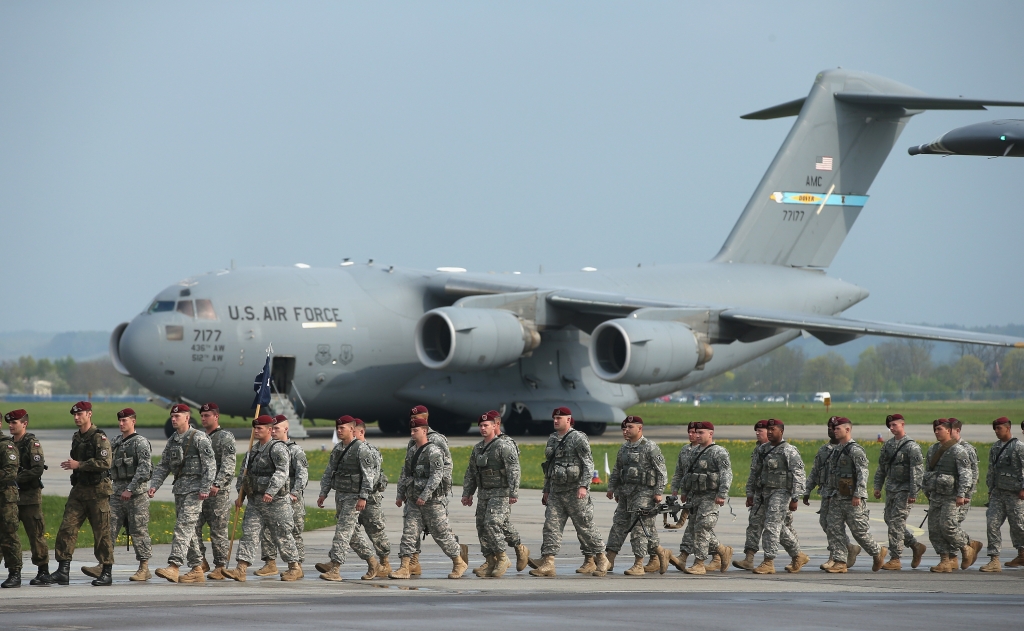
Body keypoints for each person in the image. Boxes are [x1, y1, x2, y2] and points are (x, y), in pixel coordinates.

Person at [529, 407, 610, 577]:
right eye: (555, 418)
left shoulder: (578, 438)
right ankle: (548, 562)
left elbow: (588, 464)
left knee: (585, 527)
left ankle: (601, 559)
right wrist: (546, 489)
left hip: (575, 491)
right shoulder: (552, 439)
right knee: (551, 527)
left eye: (560, 418)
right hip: (557, 492)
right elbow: (549, 467)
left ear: (568, 419)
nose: (556, 421)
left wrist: (583, 486)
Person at [224, 414, 302, 581]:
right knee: (249, 534)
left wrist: (271, 491)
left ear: (269, 429)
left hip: (276, 501)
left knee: (282, 534)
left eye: (260, 428)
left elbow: (282, 471)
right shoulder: (253, 450)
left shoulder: (278, 448)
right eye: (255, 428)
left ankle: (294, 567)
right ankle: (241, 569)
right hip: (255, 501)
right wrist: (241, 494)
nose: (256, 431)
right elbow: (244, 474)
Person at [390, 414, 468, 579]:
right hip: (413, 500)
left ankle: (458, 562)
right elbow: (405, 473)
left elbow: (437, 476)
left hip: (432, 502)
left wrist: (425, 495)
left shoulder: (434, 451)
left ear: (424, 431)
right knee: (409, 533)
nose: (412, 433)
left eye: (416, 430)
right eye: (411, 430)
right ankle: (404, 567)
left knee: (442, 534)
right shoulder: (412, 450)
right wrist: (400, 494)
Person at [148, 403, 217, 583]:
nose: (173, 419)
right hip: (180, 489)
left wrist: (205, 488)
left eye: (177, 416)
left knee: (183, 527)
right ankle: (196, 568)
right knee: (190, 530)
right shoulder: (173, 440)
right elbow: (163, 465)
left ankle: (174, 566)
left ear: (187, 418)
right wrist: (154, 485)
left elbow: (210, 465)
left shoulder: (199, 438)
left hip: (195, 490)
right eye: (172, 416)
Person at [52, 401, 114, 586]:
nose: (77, 418)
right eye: (75, 415)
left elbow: (105, 463)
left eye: (80, 414)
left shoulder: (99, 438)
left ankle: (106, 570)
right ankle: (63, 570)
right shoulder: (77, 438)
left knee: (101, 532)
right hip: (79, 490)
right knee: (67, 528)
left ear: (89, 414)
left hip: (98, 491)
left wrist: (79, 465)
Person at [603, 415, 670, 576]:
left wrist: (659, 492)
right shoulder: (624, 448)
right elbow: (617, 470)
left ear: (640, 428)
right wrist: (613, 488)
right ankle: (609, 559)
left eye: (629, 428)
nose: (625, 431)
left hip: (645, 493)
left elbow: (662, 472)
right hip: (626, 494)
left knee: (639, 529)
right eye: (624, 428)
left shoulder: (650, 447)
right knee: (618, 524)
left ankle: (639, 563)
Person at [462, 410, 525, 578]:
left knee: (492, 523)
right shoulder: (478, 448)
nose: (483, 428)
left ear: (495, 426)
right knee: (482, 526)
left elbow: (514, 469)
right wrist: (467, 493)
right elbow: (471, 472)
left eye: (486, 425)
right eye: (481, 425)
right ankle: (490, 560)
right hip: (484, 493)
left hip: (501, 492)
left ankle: (502, 557)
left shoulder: (503, 446)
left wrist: (514, 491)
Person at [313, 415, 377, 581]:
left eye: (343, 428)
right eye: (338, 428)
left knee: (342, 531)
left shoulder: (361, 449)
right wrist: (323, 492)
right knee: (352, 535)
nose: (339, 431)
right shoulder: (338, 449)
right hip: (340, 495)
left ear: (352, 429)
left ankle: (335, 568)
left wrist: (363, 497)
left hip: (354, 497)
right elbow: (330, 471)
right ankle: (373, 562)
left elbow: (368, 476)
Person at [822, 417, 886, 573]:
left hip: (852, 499)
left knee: (859, 532)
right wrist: (829, 493)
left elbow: (863, 473)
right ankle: (840, 562)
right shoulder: (836, 450)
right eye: (834, 428)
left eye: (838, 429)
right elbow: (832, 474)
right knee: (834, 529)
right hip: (837, 497)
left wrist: (858, 494)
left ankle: (877, 551)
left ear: (847, 430)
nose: (834, 431)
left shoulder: (855, 450)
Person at [671, 421, 732, 575]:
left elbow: (726, 474)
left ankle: (699, 563)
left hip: (711, 495)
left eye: (701, 433)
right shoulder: (692, 452)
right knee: (694, 528)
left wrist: (722, 494)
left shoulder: (719, 452)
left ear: (710, 434)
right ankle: (722, 550)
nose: (697, 436)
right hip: (694, 495)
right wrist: (683, 491)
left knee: (703, 526)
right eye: (696, 433)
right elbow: (686, 474)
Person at [746, 419, 806, 574]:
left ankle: (768, 561)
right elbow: (755, 472)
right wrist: (750, 493)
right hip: (763, 492)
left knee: (772, 526)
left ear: (781, 431)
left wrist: (795, 497)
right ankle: (798, 555)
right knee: (779, 528)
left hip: (781, 492)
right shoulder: (762, 450)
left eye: (773, 429)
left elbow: (798, 475)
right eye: (768, 429)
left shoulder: (789, 450)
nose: (770, 432)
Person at [103, 409, 153, 582]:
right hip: (116, 491)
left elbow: (144, 469)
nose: (121, 423)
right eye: (120, 421)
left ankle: (144, 567)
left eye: (125, 420)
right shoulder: (115, 442)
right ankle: (104, 564)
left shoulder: (140, 443)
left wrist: (130, 489)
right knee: (109, 528)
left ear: (133, 421)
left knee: (138, 530)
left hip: (136, 494)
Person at [187, 403, 235, 580]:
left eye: (207, 415)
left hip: (217, 493)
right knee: (193, 527)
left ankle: (220, 566)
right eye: (202, 415)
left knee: (218, 530)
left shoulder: (224, 437)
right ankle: (200, 561)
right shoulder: (199, 437)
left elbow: (229, 464)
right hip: (200, 490)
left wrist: (217, 484)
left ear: (216, 416)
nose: (203, 418)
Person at [254, 415, 307, 577]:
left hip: (290, 497)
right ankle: (270, 562)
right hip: (272, 497)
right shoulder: (267, 448)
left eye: (277, 428)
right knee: (268, 531)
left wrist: (295, 493)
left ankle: (297, 565)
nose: (274, 431)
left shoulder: (295, 450)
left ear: (286, 429)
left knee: (292, 531)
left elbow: (302, 474)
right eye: (273, 428)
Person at [873, 413, 926, 570]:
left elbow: (916, 471)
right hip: (891, 488)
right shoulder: (888, 445)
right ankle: (915, 545)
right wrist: (877, 486)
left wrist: (913, 492)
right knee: (889, 519)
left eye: (894, 424)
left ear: (902, 424)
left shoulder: (912, 447)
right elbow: (882, 468)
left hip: (905, 489)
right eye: (889, 425)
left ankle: (895, 558)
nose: (891, 428)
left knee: (896, 521)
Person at [6, 409, 53, 586]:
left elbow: (37, 468)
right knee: (9, 534)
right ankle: (14, 572)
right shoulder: (8, 444)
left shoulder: (31, 443)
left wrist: (15, 479)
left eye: (14, 423)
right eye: (9, 423)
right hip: (11, 498)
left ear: (24, 424)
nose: (11, 426)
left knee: (36, 534)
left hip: (29, 497)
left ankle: (43, 571)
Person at [922, 418, 973, 573]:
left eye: (940, 429)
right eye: (935, 429)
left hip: (951, 496)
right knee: (934, 529)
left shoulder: (958, 451)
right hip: (936, 494)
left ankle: (967, 546)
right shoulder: (932, 450)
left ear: (949, 431)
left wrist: (962, 494)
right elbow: (928, 472)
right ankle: (944, 560)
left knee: (948, 526)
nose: (936, 432)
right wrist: (927, 490)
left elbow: (966, 474)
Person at [979, 417, 1024, 572]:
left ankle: (1022, 553)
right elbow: (992, 469)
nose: (997, 432)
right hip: (998, 493)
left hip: (1014, 493)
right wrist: (990, 489)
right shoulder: (995, 447)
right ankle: (994, 559)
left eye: (999, 428)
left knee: (1018, 525)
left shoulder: (1018, 447)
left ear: (1008, 428)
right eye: (995, 429)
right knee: (992, 523)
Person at [349, 419, 392, 578]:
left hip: (370, 498)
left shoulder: (370, 451)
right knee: (346, 529)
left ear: (361, 432)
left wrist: (363, 496)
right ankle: (335, 561)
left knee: (375, 529)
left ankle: (384, 562)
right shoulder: (348, 450)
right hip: (352, 497)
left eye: (353, 432)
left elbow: (371, 477)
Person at [733, 420, 768, 570]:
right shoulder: (758, 449)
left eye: (761, 430)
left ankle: (797, 555)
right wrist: (749, 494)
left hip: (777, 495)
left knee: (782, 530)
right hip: (759, 495)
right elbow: (753, 474)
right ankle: (749, 558)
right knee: (753, 525)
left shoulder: (782, 449)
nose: (758, 433)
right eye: (757, 430)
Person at [950, 418, 984, 569]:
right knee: (948, 524)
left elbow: (974, 474)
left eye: (949, 430)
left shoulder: (967, 449)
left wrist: (967, 495)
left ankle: (969, 545)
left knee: (952, 524)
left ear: (957, 430)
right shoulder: (947, 448)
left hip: (962, 495)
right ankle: (953, 557)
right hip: (948, 494)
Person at [0, 416, 21, 588]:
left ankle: (15, 573)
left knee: (9, 534)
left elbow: (11, 471)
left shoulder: (6, 446)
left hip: (5, 497)